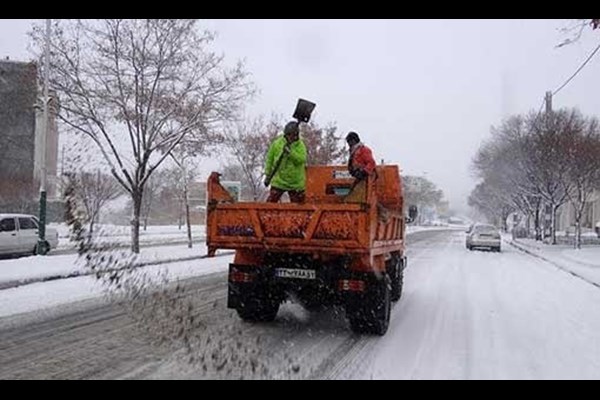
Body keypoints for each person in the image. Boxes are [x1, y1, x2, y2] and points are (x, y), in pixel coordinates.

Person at [264, 121, 307, 203]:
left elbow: (301, 160)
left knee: (299, 207)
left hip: (295, 183)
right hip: (279, 180)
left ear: (296, 135)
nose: (291, 137)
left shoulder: (300, 146)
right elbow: (269, 159)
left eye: (293, 135)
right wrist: (267, 173)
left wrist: (291, 153)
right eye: (289, 135)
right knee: (270, 204)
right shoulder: (277, 144)